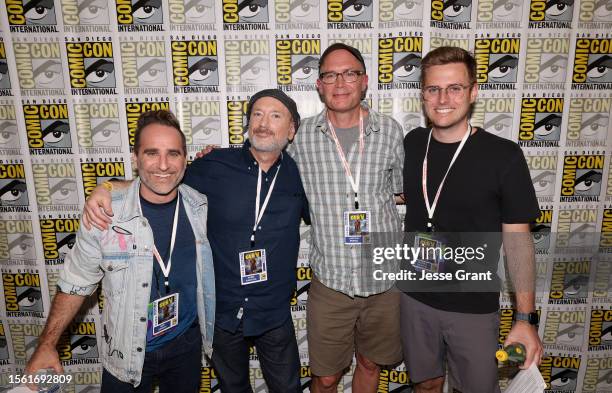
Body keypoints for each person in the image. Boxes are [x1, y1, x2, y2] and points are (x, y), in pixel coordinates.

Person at [81, 89, 308, 392]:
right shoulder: (214, 164)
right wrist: (108, 187)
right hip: (224, 312)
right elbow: (159, 177)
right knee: (233, 388)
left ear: (291, 130)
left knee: (288, 388)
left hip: (274, 312)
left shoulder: (300, 175)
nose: (264, 123)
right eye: (257, 114)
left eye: (275, 116)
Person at [25, 110, 215, 393]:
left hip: (186, 346)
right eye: (152, 153)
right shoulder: (105, 214)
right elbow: (76, 282)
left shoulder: (199, 205)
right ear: (135, 159)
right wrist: (47, 344)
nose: (163, 164)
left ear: (185, 160)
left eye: (173, 154)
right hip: (127, 352)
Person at [400, 46, 543, 393]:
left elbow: (518, 242)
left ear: (473, 91)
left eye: (455, 88)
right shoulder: (413, 143)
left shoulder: (503, 155)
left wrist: (524, 319)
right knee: (426, 383)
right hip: (414, 298)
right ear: (423, 95)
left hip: (473, 307)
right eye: (433, 89)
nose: (443, 98)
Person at [288, 43, 404, 392]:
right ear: (319, 85)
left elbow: (399, 190)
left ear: (364, 81)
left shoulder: (390, 131)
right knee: (325, 377)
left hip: (383, 280)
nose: (340, 82)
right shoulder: (301, 135)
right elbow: (257, 162)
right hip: (331, 281)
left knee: (370, 362)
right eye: (330, 75)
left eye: (349, 73)